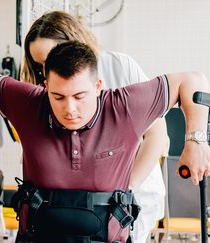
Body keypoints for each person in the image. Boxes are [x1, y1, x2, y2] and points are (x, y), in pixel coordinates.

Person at [0, 41, 210, 242]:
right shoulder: (31, 103)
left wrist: (197, 140)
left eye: (79, 96)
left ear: (98, 87)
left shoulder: (123, 106)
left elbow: (193, 81)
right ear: (45, 88)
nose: (70, 109)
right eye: (58, 97)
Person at [21, 11, 168, 243]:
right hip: (73, 208)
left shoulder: (118, 66)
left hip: (129, 199)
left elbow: (158, 134)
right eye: (40, 65)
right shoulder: (48, 89)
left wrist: (127, 186)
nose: (50, 67)